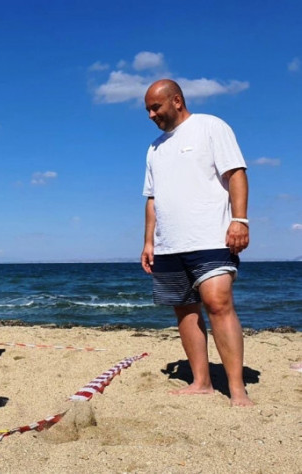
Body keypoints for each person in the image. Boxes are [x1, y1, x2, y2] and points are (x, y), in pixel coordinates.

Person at [141, 79, 253, 407]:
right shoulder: (154, 148)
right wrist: (148, 242)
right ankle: (201, 382)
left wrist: (240, 220)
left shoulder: (210, 126)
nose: (151, 115)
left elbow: (236, 173)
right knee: (185, 310)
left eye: (155, 107)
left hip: (211, 236)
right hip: (169, 243)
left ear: (176, 101)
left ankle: (237, 388)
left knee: (218, 303)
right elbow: (152, 198)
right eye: (147, 110)